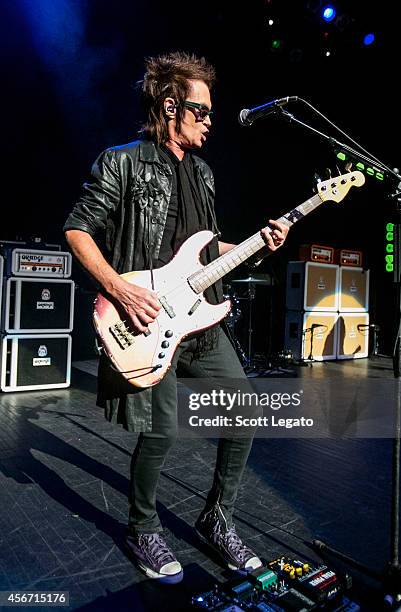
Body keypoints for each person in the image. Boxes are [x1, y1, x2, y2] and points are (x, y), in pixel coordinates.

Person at [64, 51, 288, 583]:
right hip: (148, 315)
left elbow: (207, 253)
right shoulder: (121, 161)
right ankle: (142, 528)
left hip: (199, 321)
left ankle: (218, 519)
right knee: (160, 431)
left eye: (210, 113)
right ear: (170, 107)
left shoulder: (205, 174)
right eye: (200, 111)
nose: (210, 122)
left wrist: (258, 244)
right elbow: (76, 229)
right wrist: (119, 290)